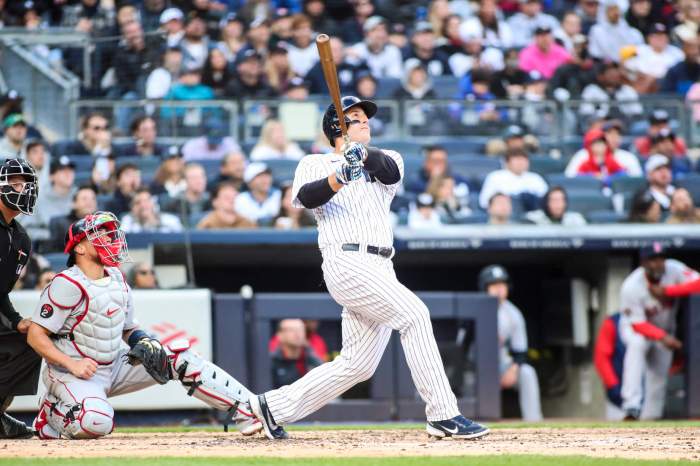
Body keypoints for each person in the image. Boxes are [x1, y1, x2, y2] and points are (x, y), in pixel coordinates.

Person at [246, 96, 490, 441]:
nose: (365, 123)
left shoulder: (388, 158)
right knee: (415, 315)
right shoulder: (314, 162)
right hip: (346, 261)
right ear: (336, 127)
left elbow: (386, 170)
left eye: (365, 118)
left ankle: (273, 408)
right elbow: (305, 198)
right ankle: (443, 414)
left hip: (381, 265)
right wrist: (339, 176)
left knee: (357, 364)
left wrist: (360, 156)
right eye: (356, 118)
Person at [28, 212, 262, 439]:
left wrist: (144, 341)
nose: (108, 239)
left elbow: (127, 328)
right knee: (96, 422)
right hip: (72, 372)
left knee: (181, 357)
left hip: (112, 365)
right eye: (97, 234)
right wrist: (72, 364)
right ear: (79, 247)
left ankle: (249, 410)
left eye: (108, 234)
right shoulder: (66, 283)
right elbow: (35, 335)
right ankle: (51, 411)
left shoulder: (117, 278)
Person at [618, 243, 699, 420]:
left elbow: (698, 284)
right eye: (653, 260)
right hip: (636, 328)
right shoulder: (631, 285)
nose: (659, 263)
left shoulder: (674, 268)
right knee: (637, 345)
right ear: (643, 263)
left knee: (659, 378)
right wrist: (664, 337)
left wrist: (669, 290)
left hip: (664, 330)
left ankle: (650, 420)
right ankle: (631, 406)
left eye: (661, 258)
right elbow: (638, 324)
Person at [0, 158, 41, 439]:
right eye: (15, 183)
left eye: (26, 184)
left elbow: (0, 293)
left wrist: (16, 323)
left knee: (34, 340)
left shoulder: (21, 239)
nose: (23, 189)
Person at [478, 265, 543, 421]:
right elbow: (461, 347)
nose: (499, 289)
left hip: (501, 365)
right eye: (494, 285)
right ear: (485, 288)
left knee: (527, 373)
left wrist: (513, 371)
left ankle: (534, 422)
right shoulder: (474, 308)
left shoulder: (513, 313)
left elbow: (520, 351)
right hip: (475, 367)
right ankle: (470, 422)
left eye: (502, 284)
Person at [479, 149, 548, 211]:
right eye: (517, 159)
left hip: (532, 215)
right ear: (507, 162)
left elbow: (547, 201)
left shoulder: (535, 178)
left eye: (524, 159)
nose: (521, 163)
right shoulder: (495, 177)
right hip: (506, 215)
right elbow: (484, 202)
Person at [269, 319, 323, 389]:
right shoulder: (272, 361)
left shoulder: (311, 358)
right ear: (280, 335)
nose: (297, 334)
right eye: (291, 330)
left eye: (301, 329)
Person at [47, 186, 98, 252]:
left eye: (93, 199)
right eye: (84, 199)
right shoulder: (60, 224)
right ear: (74, 204)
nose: (89, 202)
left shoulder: (103, 224)